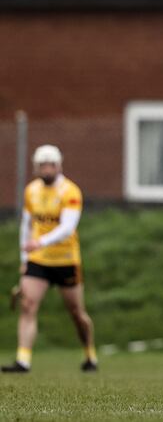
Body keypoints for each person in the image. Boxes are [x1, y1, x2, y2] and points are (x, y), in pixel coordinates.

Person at [2, 145, 97, 374]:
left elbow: (67, 228)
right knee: (28, 305)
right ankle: (23, 360)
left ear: (58, 165)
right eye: (42, 165)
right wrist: (25, 257)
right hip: (38, 259)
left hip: (65, 260)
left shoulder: (70, 192)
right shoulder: (31, 191)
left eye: (50, 165)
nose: (46, 169)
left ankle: (89, 354)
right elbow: (26, 227)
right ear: (36, 167)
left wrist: (40, 242)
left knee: (77, 313)